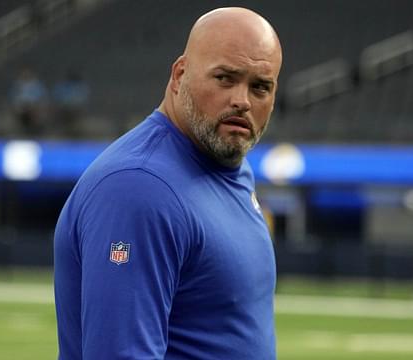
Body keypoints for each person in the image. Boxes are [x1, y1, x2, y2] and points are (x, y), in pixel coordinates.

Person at [54, 7, 282, 360]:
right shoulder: (139, 188)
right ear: (179, 75)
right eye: (225, 78)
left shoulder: (229, 164)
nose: (242, 100)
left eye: (260, 87)